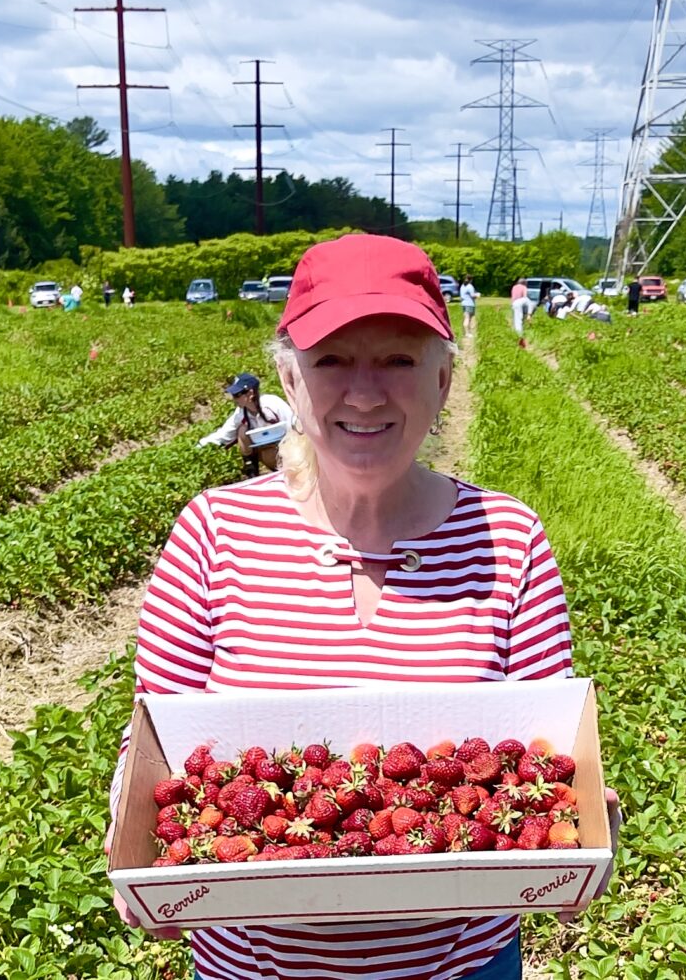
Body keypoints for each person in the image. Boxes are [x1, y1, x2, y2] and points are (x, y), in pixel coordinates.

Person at [107, 233, 620, 980]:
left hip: (461, 966)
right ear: (289, 375)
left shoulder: (510, 540)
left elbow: (548, 751)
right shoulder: (213, 534)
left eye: (399, 360)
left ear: (444, 381)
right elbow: (154, 746)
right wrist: (137, 844)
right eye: (332, 361)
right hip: (248, 969)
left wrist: (583, 823)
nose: (366, 392)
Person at [197, 372, 293, 478]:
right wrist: (200, 446)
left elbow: (294, 424)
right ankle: (252, 471)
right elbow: (225, 434)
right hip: (268, 451)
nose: (234, 399)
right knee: (242, 431)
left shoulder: (272, 403)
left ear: (250, 393)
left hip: (289, 447)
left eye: (237, 395)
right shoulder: (241, 413)